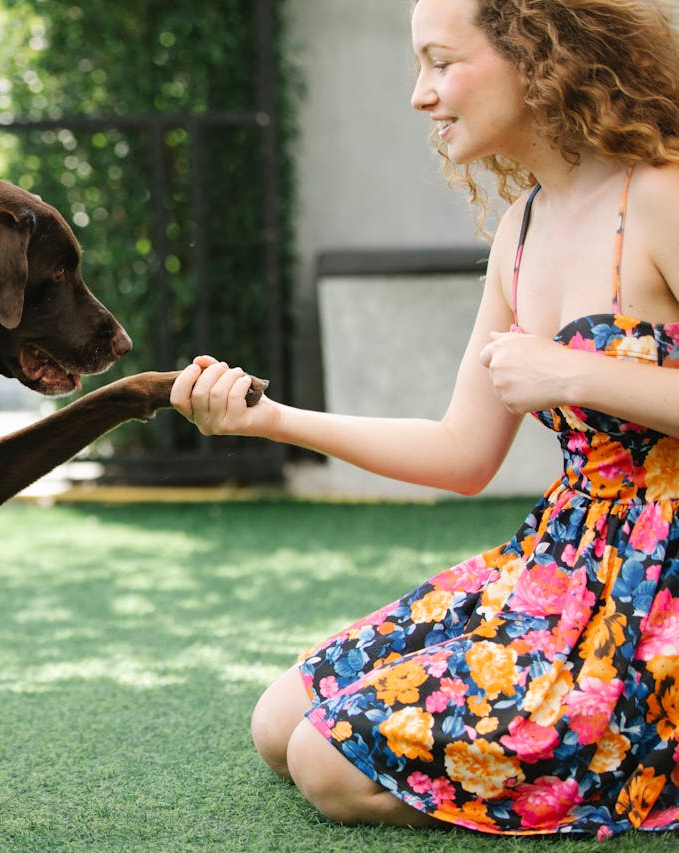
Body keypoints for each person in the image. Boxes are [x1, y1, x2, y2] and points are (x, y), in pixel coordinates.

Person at [170, 0, 679, 839]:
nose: (420, 94)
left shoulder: (658, 196)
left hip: (653, 595)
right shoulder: (521, 232)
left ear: (536, 53)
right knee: (278, 723)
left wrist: (577, 371)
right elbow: (461, 452)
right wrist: (273, 420)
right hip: (564, 565)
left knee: (327, 765)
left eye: (441, 62)